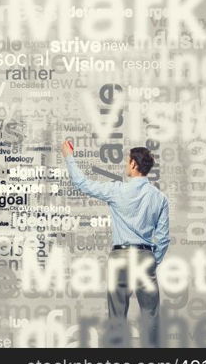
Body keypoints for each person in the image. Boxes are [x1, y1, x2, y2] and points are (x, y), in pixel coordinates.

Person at [61, 141, 170, 347]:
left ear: (133, 164)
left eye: (127, 162)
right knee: (150, 314)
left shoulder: (116, 190)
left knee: (117, 315)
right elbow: (163, 238)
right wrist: (152, 261)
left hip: (120, 257)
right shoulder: (160, 198)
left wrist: (68, 156)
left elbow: (82, 183)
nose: (125, 166)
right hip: (145, 256)